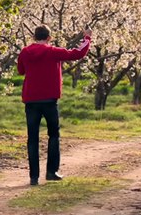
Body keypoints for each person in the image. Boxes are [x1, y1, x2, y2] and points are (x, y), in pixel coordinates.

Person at [17, 25, 92, 186]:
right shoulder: (53, 52)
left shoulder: (25, 52)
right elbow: (77, 54)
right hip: (50, 100)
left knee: (32, 138)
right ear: (49, 38)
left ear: (34, 37)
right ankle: (51, 172)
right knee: (53, 135)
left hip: (31, 100)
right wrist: (87, 38)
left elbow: (21, 71)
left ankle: (33, 177)